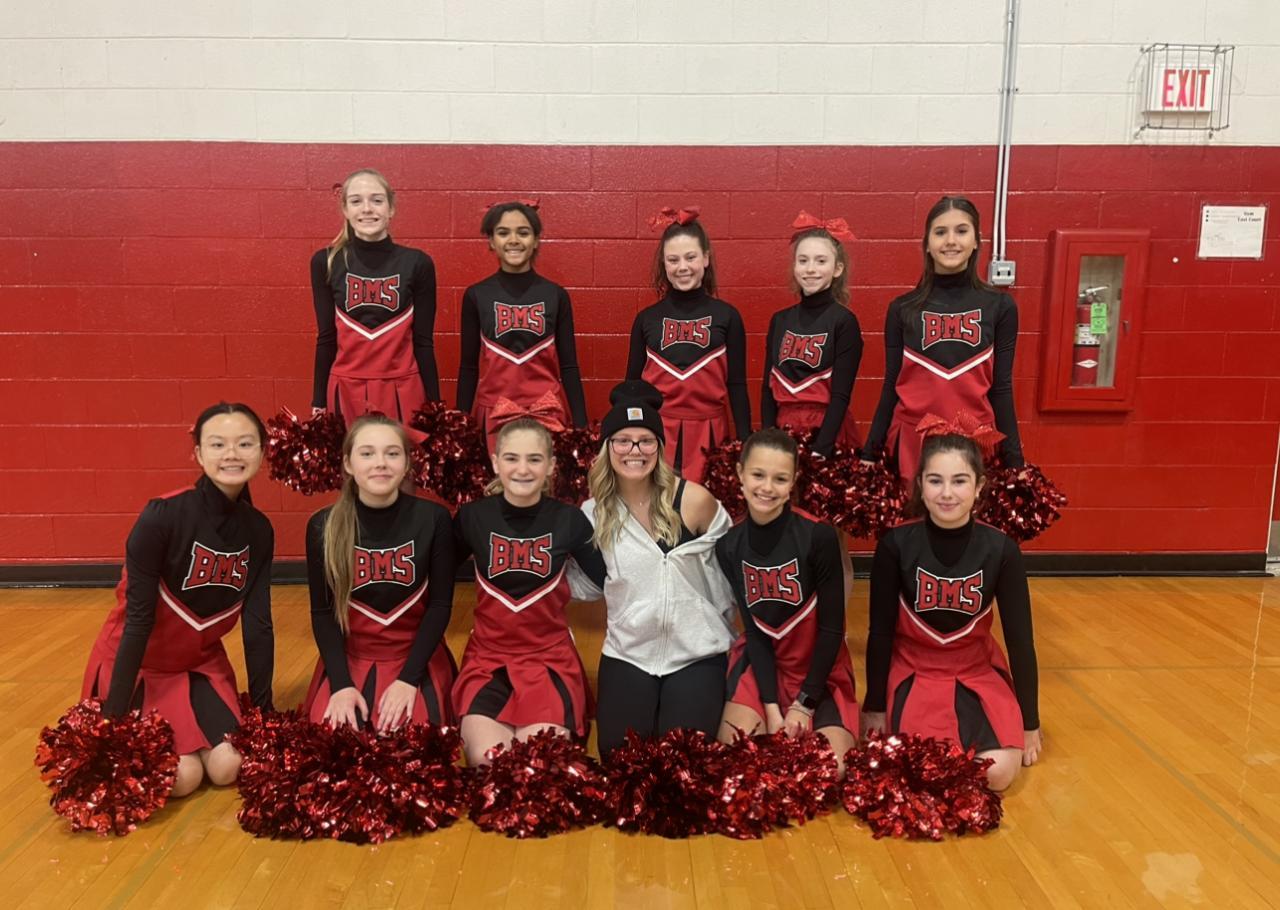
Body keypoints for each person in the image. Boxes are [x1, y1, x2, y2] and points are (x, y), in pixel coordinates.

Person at [82, 403, 275, 797]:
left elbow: (258, 625)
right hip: (139, 665)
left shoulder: (258, 530)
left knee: (228, 766)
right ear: (198, 453)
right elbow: (138, 620)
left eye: (244, 443)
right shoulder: (162, 516)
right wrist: (112, 723)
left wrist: (264, 715)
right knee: (182, 777)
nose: (232, 454)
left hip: (198, 666)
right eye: (218, 444)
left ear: (261, 451)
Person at [861, 425, 1042, 791]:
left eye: (959, 481)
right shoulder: (895, 544)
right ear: (920, 485)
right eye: (935, 481)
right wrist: (875, 705)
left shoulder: (1001, 549)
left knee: (997, 774)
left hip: (975, 671)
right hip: (914, 671)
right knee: (912, 771)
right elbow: (879, 632)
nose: (946, 493)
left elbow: (1020, 641)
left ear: (978, 487)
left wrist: (1030, 722)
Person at [574, 380, 736, 760]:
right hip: (629, 652)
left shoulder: (693, 501)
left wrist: (719, 630)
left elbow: (730, 574)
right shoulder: (594, 514)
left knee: (683, 760)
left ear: (660, 448)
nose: (635, 451)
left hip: (696, 652)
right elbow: (586, 584)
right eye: (623, 440)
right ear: (608, 447)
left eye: (646, 440)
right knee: (620, 759)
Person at [451, 417, 607, 766]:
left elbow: (610, 580)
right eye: (511, 458)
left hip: (549, 661)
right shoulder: (472, 517)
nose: (522, 469)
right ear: (495, 462)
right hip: (487, 660)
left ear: (550, 465)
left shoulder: (570, 520)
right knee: (490, 764)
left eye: (534, 459)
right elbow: (434, 573)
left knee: (539, 767)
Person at [303, 415, 456, 732]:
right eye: (367, 453)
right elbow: (322, 613)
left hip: (415, 658)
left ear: (407, 462)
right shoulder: (323, 525)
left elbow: (440, 606)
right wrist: (341, 685)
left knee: (410, 746)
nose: (380, 463)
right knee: (333, 745)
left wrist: (408, 680)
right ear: (348, 463)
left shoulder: (434, 518)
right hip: (350, 660)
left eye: (392, 453)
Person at [715, 429, 857, 769]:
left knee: (830, 770)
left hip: (819, 671)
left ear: (793, 481)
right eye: (758, 475)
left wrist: (804, 703)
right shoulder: (729, 545)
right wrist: (772, 709)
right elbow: (754, 632)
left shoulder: (818, 537)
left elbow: (832, 630)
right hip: (763, 667)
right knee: (740, 760)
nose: (767, 487)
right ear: (740, 474)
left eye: (780, 478)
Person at [862, 196, 1024, 483]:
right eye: (940, 232)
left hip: (975, 441)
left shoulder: (1000, 306)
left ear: (976, 241)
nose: (951, 241)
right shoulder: (902, 308)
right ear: (927, 243)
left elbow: (1001, 387)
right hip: (913, 440)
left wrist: (1015, 461)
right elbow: (891, 384)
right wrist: (870, 453)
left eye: (961, 231)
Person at [626, 208, 750, 482]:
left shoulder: (728, 316)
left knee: (705, 505)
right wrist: (629, 436)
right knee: (657, 504)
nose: (682, 267)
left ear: (705, 258)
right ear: (664, 264)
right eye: (673, 259)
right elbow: (632, 387)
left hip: (711, 432)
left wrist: (745, 442)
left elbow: (737, 384)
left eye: (690, 257)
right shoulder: (646, 319)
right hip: (658, 432)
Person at [456, 200, 589, 452]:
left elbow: (569, 366)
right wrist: (460, 423)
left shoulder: (556, 295)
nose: (514, 240)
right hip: (494, 413)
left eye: (523, 232)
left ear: (536, 240)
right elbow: (468, 367)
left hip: (547, 412)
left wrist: (582, 426)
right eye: (503, 232)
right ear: (491, 241)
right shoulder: (476, 295)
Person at [311, 168, 440, 423]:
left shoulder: (418, 263)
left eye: (377, 200)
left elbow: (424, 342)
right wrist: (318, 402)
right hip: (345, 388)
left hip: (403, 388)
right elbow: (326, 338)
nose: (367, 209)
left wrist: (435, 405)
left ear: (391, 208)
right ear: (345, 210)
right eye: (356, 201)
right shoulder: (325, 261)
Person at [760, 212, 864, 457]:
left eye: (821, 261)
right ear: (794, 266)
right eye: (803, 260)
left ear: (837, 268)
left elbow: (841, 395)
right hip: (783, 431)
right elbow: (767, 388)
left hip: (826, 432)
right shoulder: (780, 320)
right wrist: (769, 438)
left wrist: (821, 450)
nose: (810, 269)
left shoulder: (844, 322)